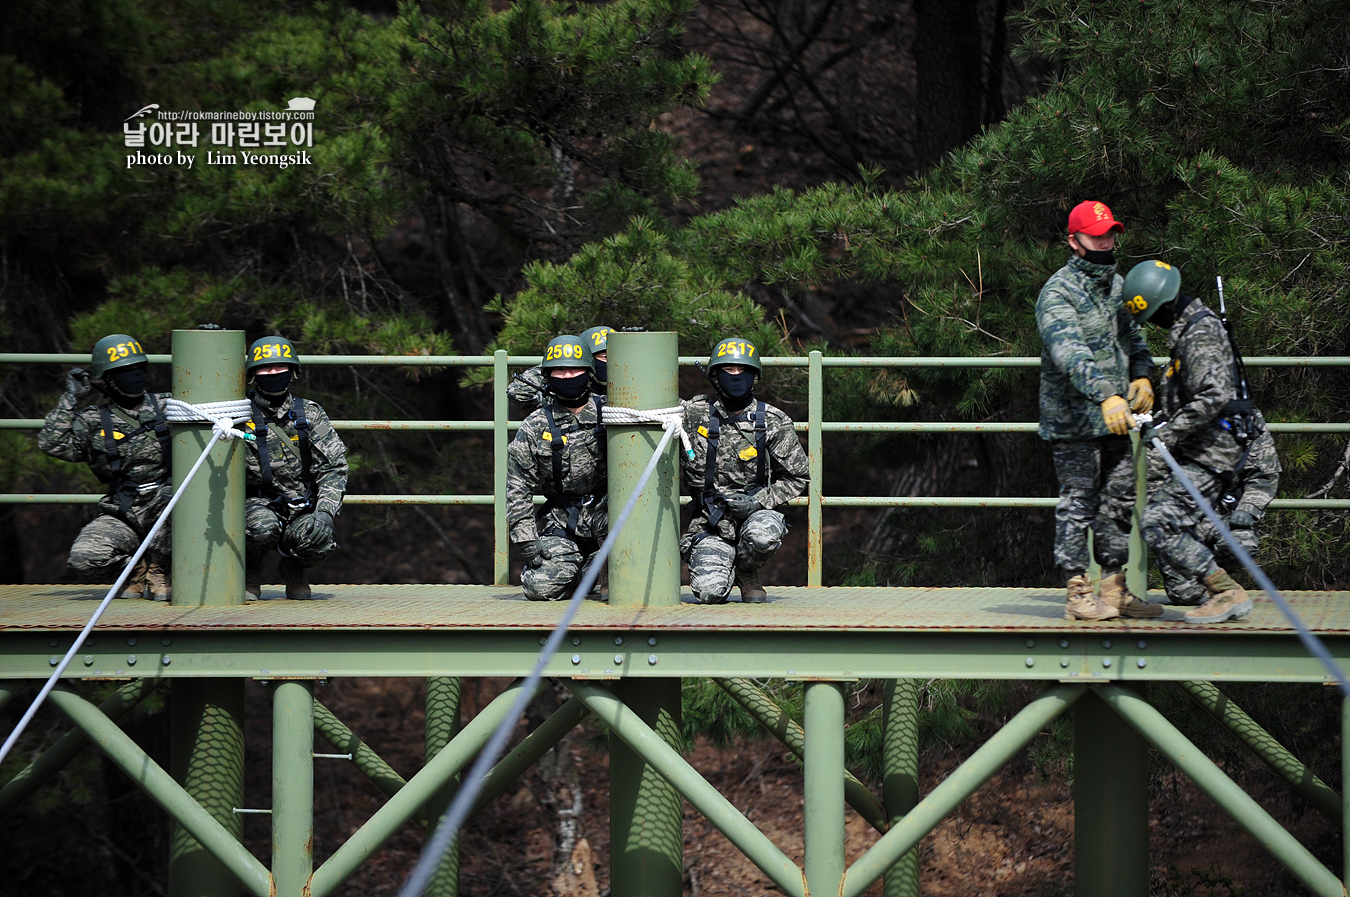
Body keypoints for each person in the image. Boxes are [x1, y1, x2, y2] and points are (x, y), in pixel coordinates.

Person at [1036, 200, 1159, 621]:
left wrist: (1143, 376)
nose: (1105, 242)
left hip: (1117, 419)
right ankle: (1076, 591)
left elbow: (1134, 339)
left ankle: (1114, 587)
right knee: (1078, 501)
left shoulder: (1116, 284)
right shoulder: (1057, 293)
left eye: (1109, 234)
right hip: (1074, 421)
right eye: (1095, 236)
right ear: (1074, 242)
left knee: (1119, 500)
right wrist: (1107, 393)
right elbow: (1070, 353)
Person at [1125, 260, 1265, 623]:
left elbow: (1213, 395)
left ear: (1166, 306)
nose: (1153, 324)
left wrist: (1166, 433)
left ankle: (1227, 591)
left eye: (1153, 315)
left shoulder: (1198, 334)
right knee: (1160, 519)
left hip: (1212, 452)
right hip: (1205, 449)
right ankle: (1222, 589)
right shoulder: (1191, 329)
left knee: (1158, 524)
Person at [38, 334, 173, 599]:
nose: (134, 376)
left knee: (174, 498)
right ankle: (136, 572)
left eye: (138, 369)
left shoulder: (169, 406)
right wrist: (71, 399)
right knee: (84, 558)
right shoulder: (93, 420)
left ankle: (163, 569)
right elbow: (51, 443)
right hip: (125, 511)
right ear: (108, 379)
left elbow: (215, 409)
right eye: (124, 371)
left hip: (169, 506)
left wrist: (211, 340)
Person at [680, 336, 808, 604]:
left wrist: (757, 502)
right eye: (729, 370)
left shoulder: (772, 420)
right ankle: (723, 568)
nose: (736, 376)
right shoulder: (692, 414)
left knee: (764, 535)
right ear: (715, 375)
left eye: (743, 370)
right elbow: (646, 409)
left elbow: (798, 476)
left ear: (754, 377)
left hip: (754, 515)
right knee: (710, 593)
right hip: (710, 521)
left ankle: (747, 572)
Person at [242, 336, 348, 600]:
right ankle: (251, 569)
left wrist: (324, 511)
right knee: (260, 527)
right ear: (254, 374)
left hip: (301, 504)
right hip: (257, 505)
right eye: (266, 368)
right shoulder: (237, 413)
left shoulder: (309, 414)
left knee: (320, 536)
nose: (274, 373)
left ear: (292, 371)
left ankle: (294, 570)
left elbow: (333, 467)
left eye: (281, 367)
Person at [506, 334, 608, 600]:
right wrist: (525, 537)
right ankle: (581, 570)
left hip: (608, 516)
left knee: (626, 574)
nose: (567, 376)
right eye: (558, 370)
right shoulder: (536, 424)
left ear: (589, 372)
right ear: (547, 375)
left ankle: (596, 568)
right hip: (563, 519)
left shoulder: (613, 412)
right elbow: (518, 486)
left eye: (574, 369)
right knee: (538, 587)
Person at [1154, 410, 1280, 606]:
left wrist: (1247, 509)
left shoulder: (1245, 417)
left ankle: (1215, 575)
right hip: (1181, 523)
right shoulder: (1166, 419)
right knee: (1186, 596)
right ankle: (1196, 574)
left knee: (1242, 544)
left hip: (1224, 514)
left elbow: (1264, 475)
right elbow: (1149, 479)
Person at [507, 325, 613, 414]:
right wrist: (556, 363)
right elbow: (517, 392)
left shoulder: (625, 390)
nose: (614, 363)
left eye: (617, 357)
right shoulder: (567, 391)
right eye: (605, 357)